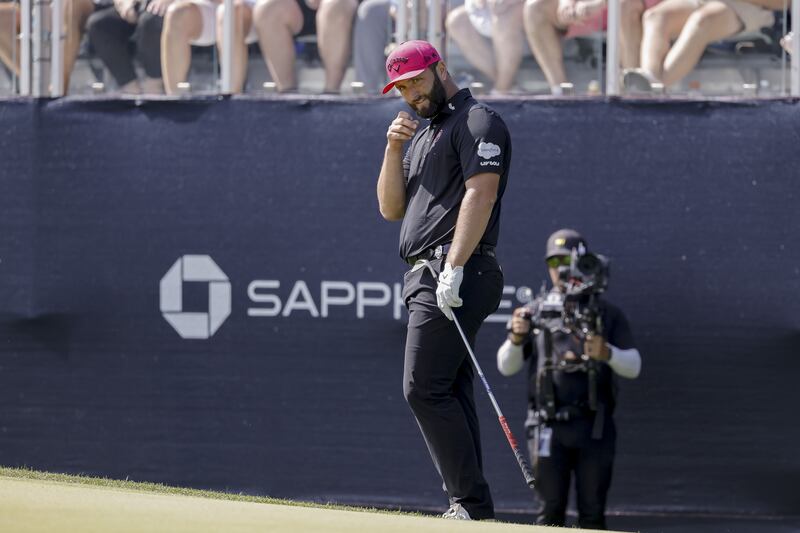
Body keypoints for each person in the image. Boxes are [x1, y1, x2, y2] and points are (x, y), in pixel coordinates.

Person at [376, 39, 512, 521]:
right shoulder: (420, 134)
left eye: (415, 80)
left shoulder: (477, 120)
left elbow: (482, 194)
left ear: (439, 68)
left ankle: (469, 503)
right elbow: (392, 209)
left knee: (422, 387)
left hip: (457, 270)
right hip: (426, 274)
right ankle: (473, 506)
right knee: (448, 388)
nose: (410, 93)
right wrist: (393, 148)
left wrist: (454, 265)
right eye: (401, 88)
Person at [496, 228, 641, 529]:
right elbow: (505, 366)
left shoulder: (606, 313)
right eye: (555, 261)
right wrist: (516, 337)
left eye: (569, 260)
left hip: (594, 427)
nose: (562, 269)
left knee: (592, 512)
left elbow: (634, 365)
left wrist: (607, 353)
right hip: (547, 425)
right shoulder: (537, 310)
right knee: (549, 512)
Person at [623, 0, 781, 91]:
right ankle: (649, 77)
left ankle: (653, 88)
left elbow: (783, 3)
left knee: (701, 21)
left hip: (752, 6)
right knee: (655, 16)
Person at [523, 0, 660, 94]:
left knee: (625, 5)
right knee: (535, 8)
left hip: (631, 6)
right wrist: (567, 4)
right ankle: (561, 92)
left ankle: (632, 90)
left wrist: (600, 3)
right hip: (586, 7)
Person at [445, 0, 528, 94]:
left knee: (504, 18)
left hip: (522, 6)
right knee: (457, 21)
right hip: (486, 7)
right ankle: (506, 85)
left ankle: (502, 90)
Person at [87, 0, 166, 93]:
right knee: (98, 24)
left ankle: (155, 86)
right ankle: (131, 88)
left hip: (165, 8)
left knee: (149, 20)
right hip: (137, 6)